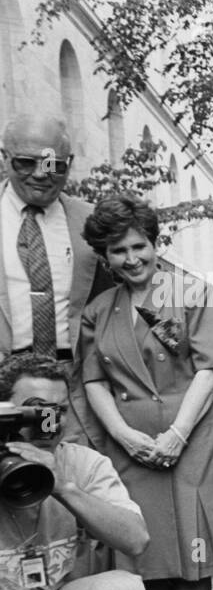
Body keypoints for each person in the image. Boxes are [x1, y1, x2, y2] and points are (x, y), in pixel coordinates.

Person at [79, 195, 213, 590]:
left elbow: (210, 367)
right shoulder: (99, 310)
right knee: (147, 548)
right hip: (132, 442)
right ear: (104, 256)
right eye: (118, 251)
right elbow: (93, 381)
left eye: (139, 246)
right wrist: (122, 435)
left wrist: (177, 434)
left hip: (190, 432)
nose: (131, 258)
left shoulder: (188, 291)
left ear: (155, 244)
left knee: (192, 549)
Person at [0, 353, 155, 590]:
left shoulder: (82, 464)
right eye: (34, 411)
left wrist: (64, 487)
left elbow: (135, 540)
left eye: (59, 411)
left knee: (122, 589)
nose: (48, 422)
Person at [0, 116, 114, 444]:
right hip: (7, 382)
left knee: (61, 463)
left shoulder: (91, 222)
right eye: (25, 162)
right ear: (4, 158)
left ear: (68, 164)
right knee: (14, 477)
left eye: (53, 164)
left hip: (68, 383)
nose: (40, 174)